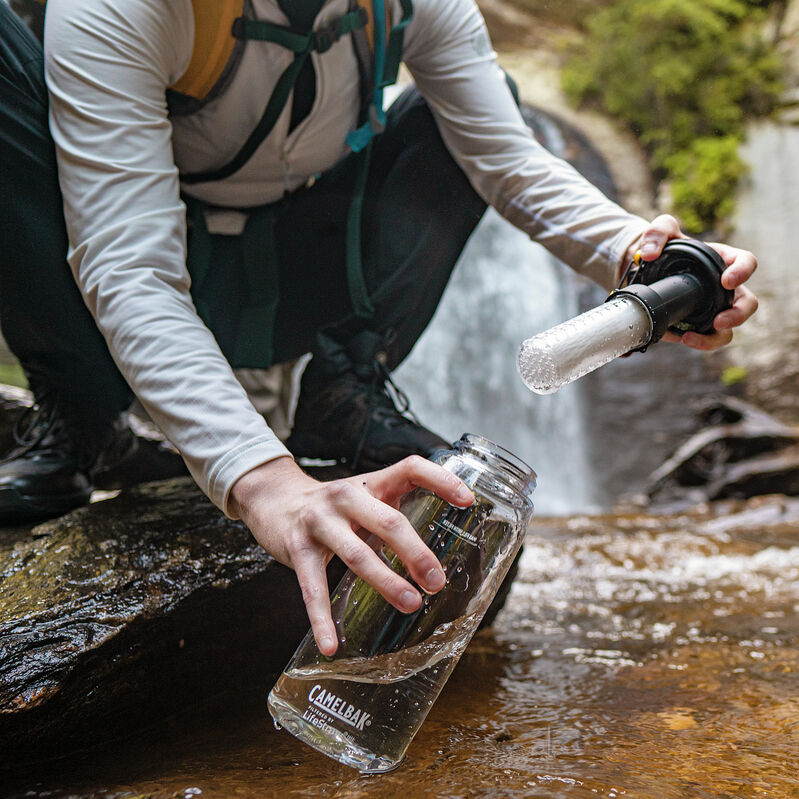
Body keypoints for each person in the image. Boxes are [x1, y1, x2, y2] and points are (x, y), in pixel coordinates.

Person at [0, 0, 757, 654]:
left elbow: (505, 157)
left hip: (308, 269)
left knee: (471, 109)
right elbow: (129, 267)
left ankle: (346, 395)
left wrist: (641, 258)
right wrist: (267, 485)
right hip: (98, 284)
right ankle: (80, 414)